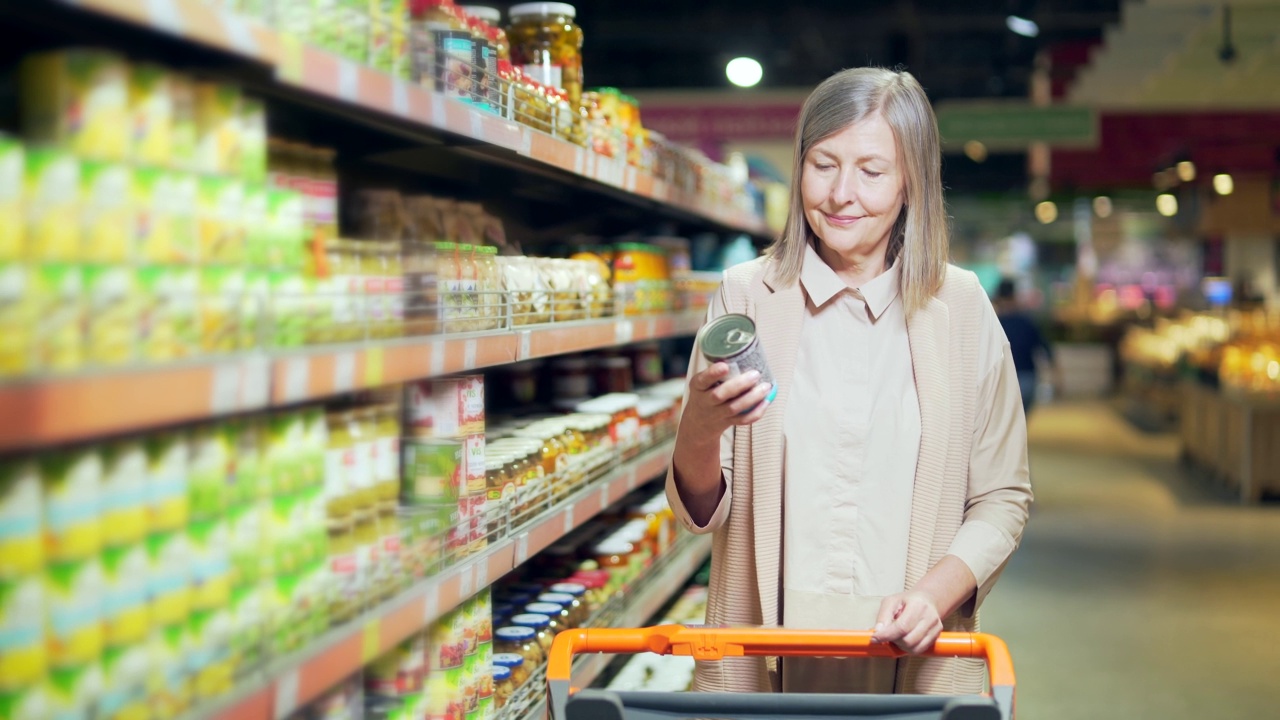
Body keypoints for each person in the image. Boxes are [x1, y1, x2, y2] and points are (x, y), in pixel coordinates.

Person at [665, 68, 1034, 697]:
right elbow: (703, 510)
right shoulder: (747, 297)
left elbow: (1002, 498)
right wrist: (699, 426)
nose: (841, 194)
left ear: (910, 182)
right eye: (823, 164)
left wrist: (931, 597)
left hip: (914, 656)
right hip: (766, 656)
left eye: (871, 170)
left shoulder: (963, 308)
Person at [993, 278, 1061, 417]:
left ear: (999, 298)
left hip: (1004, 379)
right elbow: (1045, 348)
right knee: (1021, 419)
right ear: (1014, 297)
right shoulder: (1027, 321)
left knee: (1007, 421)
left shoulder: (995, 323)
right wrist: (1057, 375)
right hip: (1028, 378)